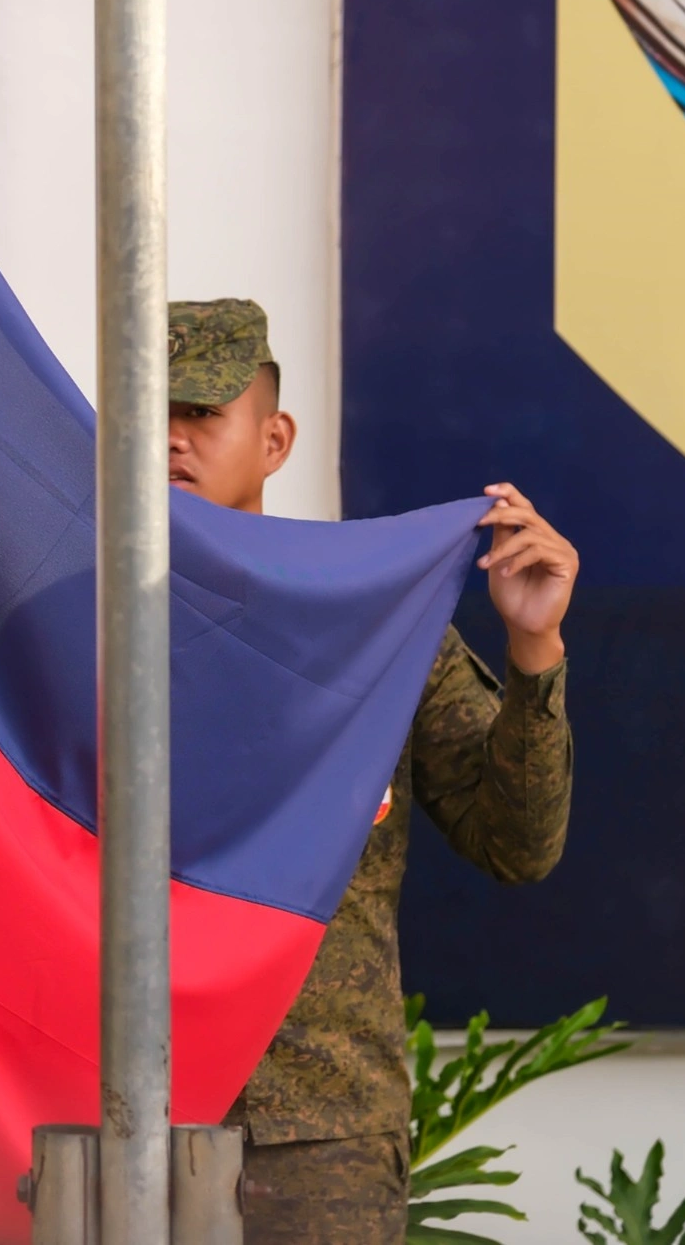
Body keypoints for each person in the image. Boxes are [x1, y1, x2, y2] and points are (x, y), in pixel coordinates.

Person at [165, 298, 578, 1244]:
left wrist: (535, 647)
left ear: (274, 439)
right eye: (147, 414)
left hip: (311, 1127)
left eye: (199, 413)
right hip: (104, 1105)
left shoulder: (372, 623)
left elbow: (516, 841)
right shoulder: (70, 628)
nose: (172, 441)